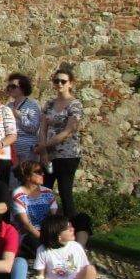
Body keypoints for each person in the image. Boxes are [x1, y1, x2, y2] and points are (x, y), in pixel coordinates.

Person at [36, 66, 84, 217]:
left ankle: (72, 230)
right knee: (44, 191)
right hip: (49, 155)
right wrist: (43, 152)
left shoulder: (75, 104)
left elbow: (68, 131)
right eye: (56, 81)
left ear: (71, 83)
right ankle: (45, 228)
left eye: (63, 81)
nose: (60, 84)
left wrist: (43, 146)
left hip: (67, 155)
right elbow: (42, 129)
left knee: (65, 192)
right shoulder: (49, 104)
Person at [11, 160, 60, 257]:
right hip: (28, 234)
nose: (42, 173)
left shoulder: (48, 192)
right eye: (38, 172)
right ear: (27, 176)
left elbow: (54, 218)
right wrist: (44, 239)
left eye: (42, 171)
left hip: (47, 232)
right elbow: (26, 225)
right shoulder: (18, 194)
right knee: (41, 248)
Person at [6, 73, 41, 163]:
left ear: (23, 88)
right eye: (9, 86)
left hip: (27, 150)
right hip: (11, 150)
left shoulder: (32, 105)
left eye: (13, 86)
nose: (10, 89)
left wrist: (20, 116)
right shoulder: (8, 106)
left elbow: (34, 128)